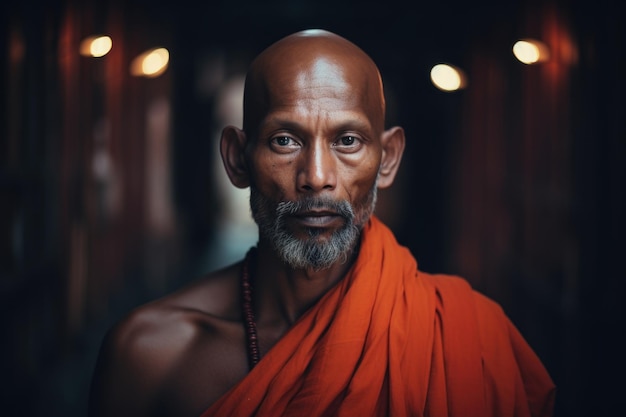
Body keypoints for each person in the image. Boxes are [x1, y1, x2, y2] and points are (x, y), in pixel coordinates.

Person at [88, 29, 556, 417]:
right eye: (285, 140)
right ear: (237, 159)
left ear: (387, 159)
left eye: (348, 140)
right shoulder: (150, 356)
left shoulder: (466, 343)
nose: (316, 177)